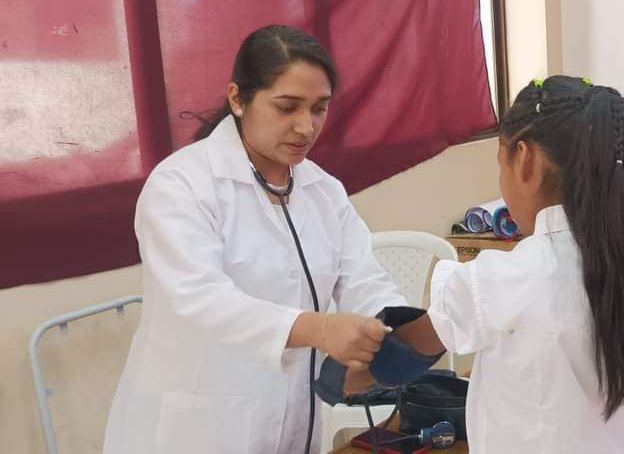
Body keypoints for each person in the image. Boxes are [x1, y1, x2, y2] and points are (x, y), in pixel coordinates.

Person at [103, 25, 404, 454]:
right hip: (197, 427)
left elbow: (363, 279)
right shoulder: (181, 185)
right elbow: (201, 299)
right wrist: (318, 328)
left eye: (319, 108)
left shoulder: (324, 191)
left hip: (290, 419)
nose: (306, 126)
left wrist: (389, 328)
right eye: (287, 107)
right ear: (237, 98)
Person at [392, 75, 624, 453]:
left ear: (525, 161)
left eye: (501, 164)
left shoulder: (498, 278)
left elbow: (399, 354)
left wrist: (337, 353)